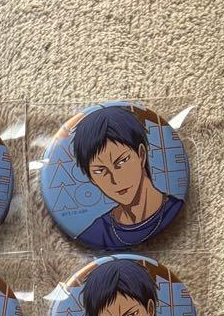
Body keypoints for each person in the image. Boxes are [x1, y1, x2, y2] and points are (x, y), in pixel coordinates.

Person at [71, 106, 184, 249]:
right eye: (100, 170)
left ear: (141, 155)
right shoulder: (96, 233)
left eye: (122, 161)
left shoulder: (177, 211)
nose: (115, 179)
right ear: (91, 178)